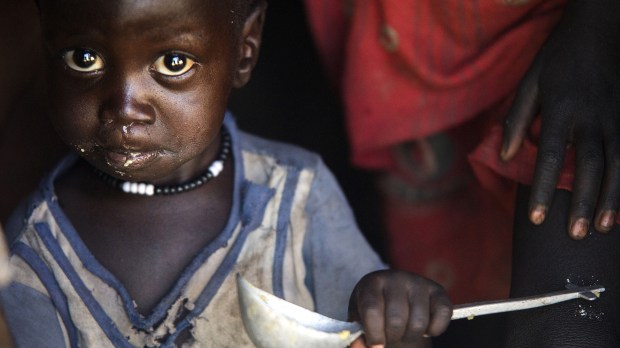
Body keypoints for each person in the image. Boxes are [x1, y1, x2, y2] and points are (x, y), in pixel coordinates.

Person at [0, 0, 454, 347]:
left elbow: (369, 329)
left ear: (244, 51)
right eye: (83, 58)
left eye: (173, 63)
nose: (123, 109)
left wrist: (392, 312)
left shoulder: (295, 195)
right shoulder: (28, 248)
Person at [304, 0, 620, 346]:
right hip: (418, 37)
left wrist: (595, 30)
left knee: (570, 321)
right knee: (450, 292)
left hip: (575, 43)